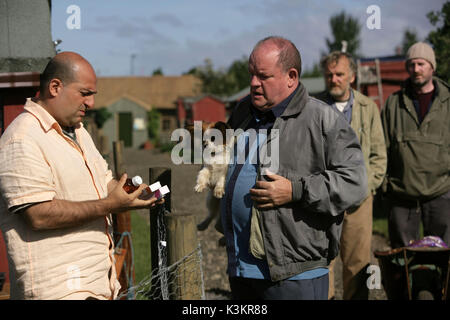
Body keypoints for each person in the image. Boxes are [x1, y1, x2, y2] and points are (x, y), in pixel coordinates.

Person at [0, 52, 162, 300]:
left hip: (95, 286)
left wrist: (134, 193)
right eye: (85, 93)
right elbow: (38, 215)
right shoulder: (22, 137)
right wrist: (111, 205)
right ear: (55, 87)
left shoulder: (78, 131)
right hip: (58, 291)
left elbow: (104, 184)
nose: (91, 103)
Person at [220, 36, 367, 300]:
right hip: (242, 270)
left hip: (294, 276)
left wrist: (296, 191)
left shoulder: (322, 119)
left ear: (291, 76)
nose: (253, 83)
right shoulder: (243, 111)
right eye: (252, 74)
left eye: (263, 76)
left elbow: (354, 182)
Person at [315, 51, 387, 300]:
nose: (334, 79)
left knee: (357, 264)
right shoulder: (314, 108)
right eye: (329, 75)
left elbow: (379, 155)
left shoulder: (368, 108)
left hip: (359, 202)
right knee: (322, 263)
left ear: (352, 77)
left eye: (339, 74)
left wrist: (367, 187)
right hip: (324, 200)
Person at [381, 42, 450, 249]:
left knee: (443, 257)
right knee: (402, 259)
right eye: (411, 64)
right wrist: (386, 185)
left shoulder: (447, 102)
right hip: (402, 195)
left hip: (441, 193)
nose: (416, 69)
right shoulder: (394, 103)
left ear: (432, 67)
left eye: (421, 64)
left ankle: (438, 284)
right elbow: (382, 146)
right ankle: (406, 283)